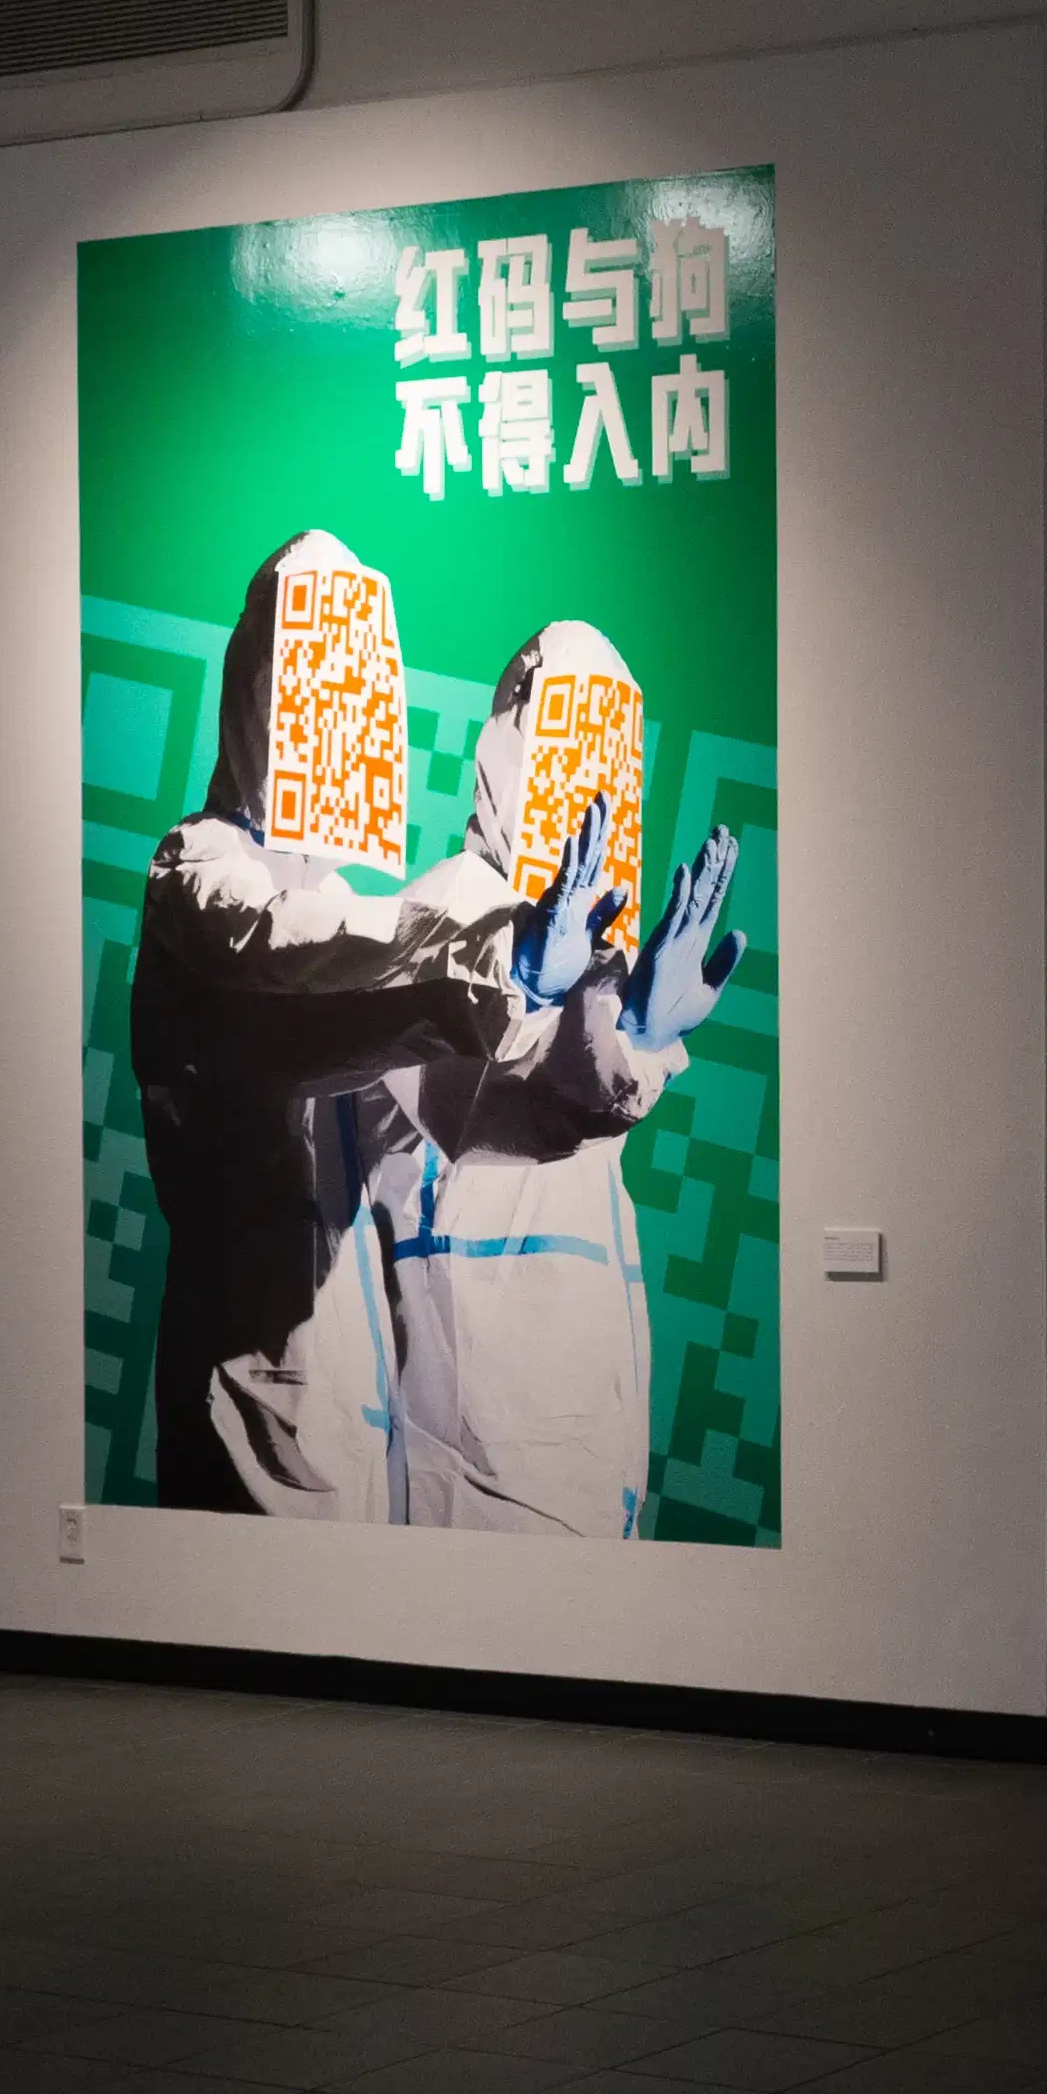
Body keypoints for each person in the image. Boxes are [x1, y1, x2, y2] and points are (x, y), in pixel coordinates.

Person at [128, 531, 528, 1518]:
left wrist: (599, 1015)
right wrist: (464, 910)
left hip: (360, 1393)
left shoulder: (362, 915)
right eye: (309, 670)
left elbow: (452, 1101)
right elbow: (293, 952)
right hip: (241, 1391)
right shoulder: (198, 874)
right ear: (254, 686)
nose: (334, 705)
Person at [372, 621, 746, 1535]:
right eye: (565, 735)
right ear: (512, 750)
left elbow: (583, 1128)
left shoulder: (599, 957)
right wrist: (536, 985)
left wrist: (639, 1027)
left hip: (586, 1424)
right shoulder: (432, 924)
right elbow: (495, 1112)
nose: (587, 786)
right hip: (472, 1435)